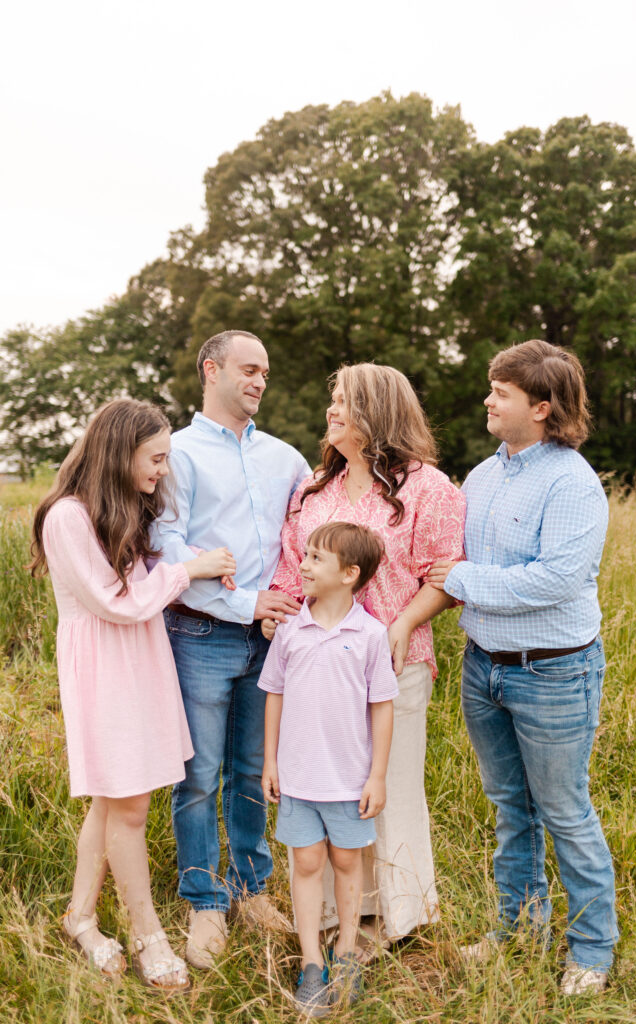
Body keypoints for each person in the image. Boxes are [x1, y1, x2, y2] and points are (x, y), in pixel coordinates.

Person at [426, 339, 619, 996]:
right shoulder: (480, 477)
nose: (487, 399)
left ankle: (591, 950)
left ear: (540, 407)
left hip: (552, 673)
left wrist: (460, 578)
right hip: (483, 668)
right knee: (510, 806)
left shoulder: (571, 481)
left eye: (499, 392)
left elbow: (555, 581)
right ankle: (518, 928)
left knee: (564, 810)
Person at [30, 399, 237, 992]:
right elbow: (116, 603)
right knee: (129, 806)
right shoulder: (67, 517)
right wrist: (186, 572)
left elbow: (144, 587)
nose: (162, 471)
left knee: (112, 799)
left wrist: (193, 564)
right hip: (105, 669)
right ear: (121, 452)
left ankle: (81, 918)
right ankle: (148, 934)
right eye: (155, 458)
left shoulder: (119, 512)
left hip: (141, 661)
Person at [266, 363, 466, 954]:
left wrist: (403, 621)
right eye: (332, 400)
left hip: (394, 664)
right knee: (325, 785)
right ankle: (333, 918)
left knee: (389, 786)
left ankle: (398, 918)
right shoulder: (313, 491)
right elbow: (290, 572)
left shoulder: (430, 489)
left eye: (345, 402)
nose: (332, 412)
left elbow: (446, 575)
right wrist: (270, 613)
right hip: (317, 670)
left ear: (376, 414)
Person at [151, 330, 310, 969]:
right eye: (248, 369)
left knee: (253, 770)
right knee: (198, 775)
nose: (260, 381)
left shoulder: (286, 458)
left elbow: (305, 532)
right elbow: (167, 544)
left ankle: (250, 888)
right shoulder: (177, 454)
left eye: (266, 372)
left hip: (272, 639)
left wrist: (286, 604)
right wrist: (244, 602)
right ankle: (204, 899)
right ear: (210, 370)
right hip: (201, 635)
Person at [259, 522, 399, 1015]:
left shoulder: (371, 634)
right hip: (298, 776)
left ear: (349, 574)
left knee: (346, 864)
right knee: (307, 864)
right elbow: (273, 693)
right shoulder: (292, 629)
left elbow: (381, 706)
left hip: (348, 778)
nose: (303, 564)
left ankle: (346, 952)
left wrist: (377, 775)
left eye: (317, 558)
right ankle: (311, 961)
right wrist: (269, 761)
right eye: (306, 555)